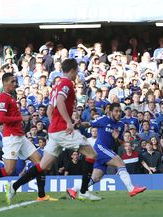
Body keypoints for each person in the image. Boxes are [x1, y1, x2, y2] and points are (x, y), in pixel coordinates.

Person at [7, 59, 99, 202]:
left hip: (55, 131)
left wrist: (56, 123)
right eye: (76, 72)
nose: (76, 75)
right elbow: (61, 102)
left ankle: (14, 186)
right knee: (91, 154)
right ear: (73, 70)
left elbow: (50, 110)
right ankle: (83, 191)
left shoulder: (55, 86)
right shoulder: (67, 83)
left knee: (43, 166)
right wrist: (68, 122)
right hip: (62, 130)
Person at [0, 73, 54, 202]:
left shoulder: (8, 97)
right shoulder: (4, 98)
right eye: (13, 82)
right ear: (6, 83)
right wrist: (21, 117)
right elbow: (1, 118)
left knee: (40, 163)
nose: (15, 84)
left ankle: (41, 195)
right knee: (8, 170)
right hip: (12, 137)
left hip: (19, 135)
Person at [67, 102, 146, 199]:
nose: (118, 113)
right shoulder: (103, 119)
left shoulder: (121, 124)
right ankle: (131, 189)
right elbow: (89, 124)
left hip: (107, 150)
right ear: (110, 112)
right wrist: (79, 123)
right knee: (120, 163)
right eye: (116, 111)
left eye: (120, 111)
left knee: (96, 178)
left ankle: (74, 189)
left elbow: (120, 142)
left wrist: (117, 138)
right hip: (100, 148)